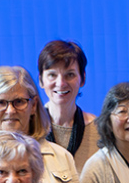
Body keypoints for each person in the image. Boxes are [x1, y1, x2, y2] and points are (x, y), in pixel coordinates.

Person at [40, 40, 100, 172]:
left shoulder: (99, 130)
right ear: (41, 80)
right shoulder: (28, 130)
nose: (61, 83)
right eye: (52, 75)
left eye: (70, 75)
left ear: (83, 79)